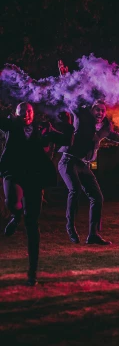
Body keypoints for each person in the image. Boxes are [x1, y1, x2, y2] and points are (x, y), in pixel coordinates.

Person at [57, 60, 119, 245]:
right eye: (97, 110)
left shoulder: (105, 127)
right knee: (74, 190)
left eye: (103, 111)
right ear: (92, 110)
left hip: (82, 163)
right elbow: (70, 99)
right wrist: (65, 77)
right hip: (68, 160)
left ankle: (93, 235)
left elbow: (118, 137)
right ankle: (71, 228)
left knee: (97, 197)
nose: (100, 113)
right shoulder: (82, 115)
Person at [0, 102, 73, 285]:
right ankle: (16, 217)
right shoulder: (11, 125)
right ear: (17, 114)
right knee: (12, 203)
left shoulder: (43, 128)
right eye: (22, 111)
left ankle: (32, 272)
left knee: (32, 223)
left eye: (29, 111)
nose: (26, 113)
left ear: (33, 114)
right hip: (13, 172)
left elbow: (66, 140)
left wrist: (68, 123)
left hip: (34, 177)